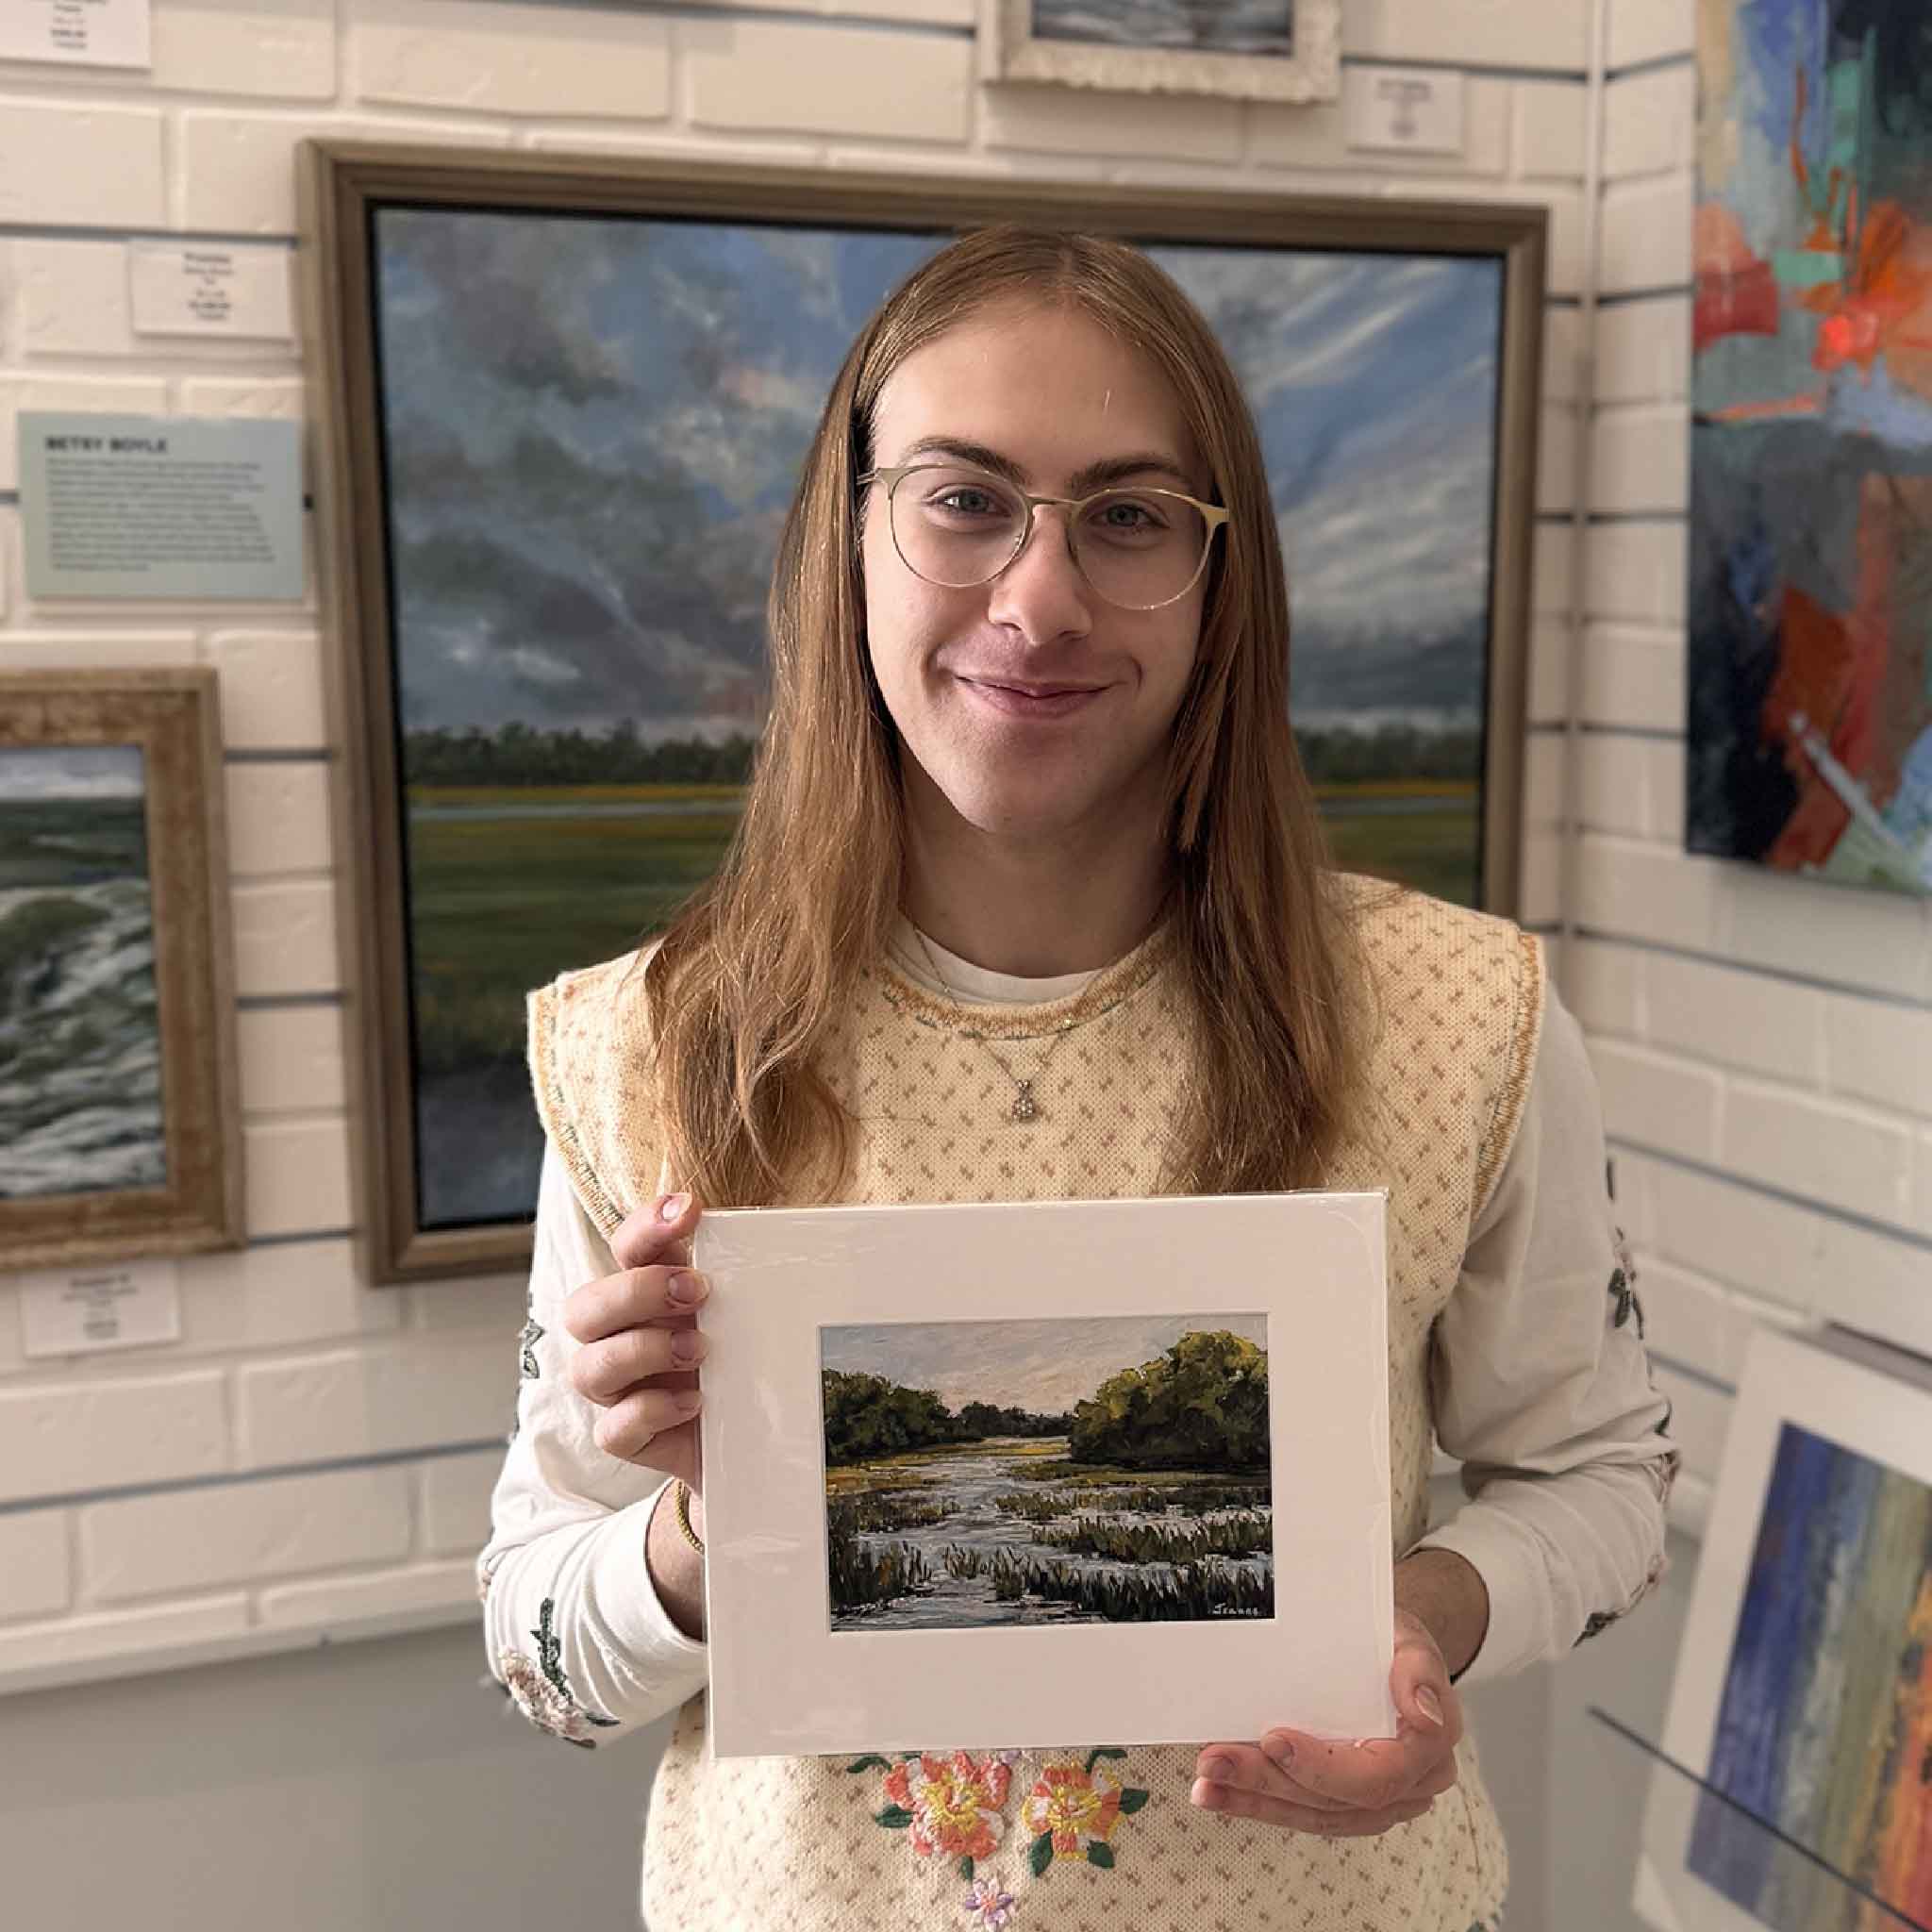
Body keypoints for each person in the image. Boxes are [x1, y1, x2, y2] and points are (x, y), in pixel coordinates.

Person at [480, 226, 1675, 1932]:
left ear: (1222, 578)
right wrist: (687, 1539)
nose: (1036, 601)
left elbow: (1607, 1484)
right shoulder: (651, 1050)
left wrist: (1421, 1625)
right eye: (964, 499)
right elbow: (544, 1660)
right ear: (852, 540)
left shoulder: (1456, 1018)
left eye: (1125, 518)